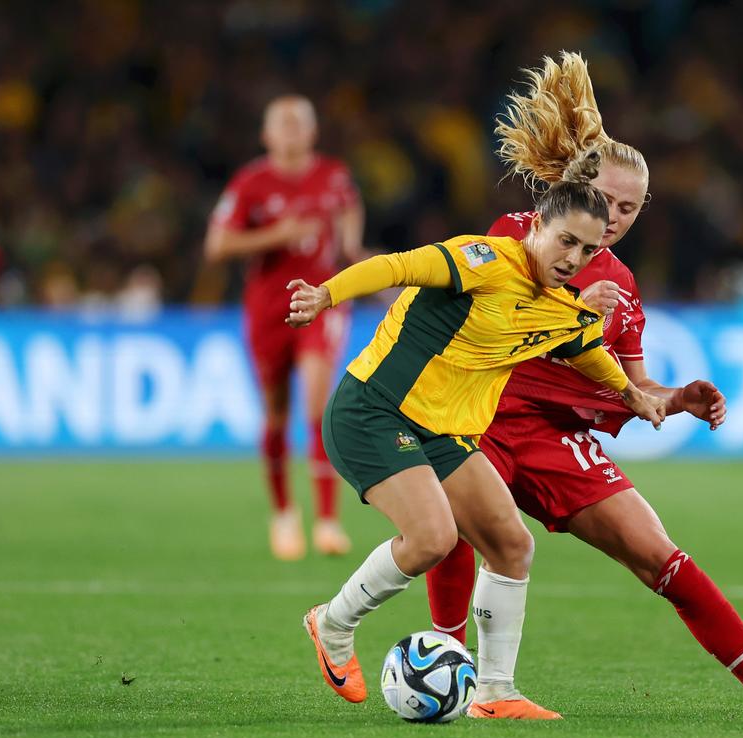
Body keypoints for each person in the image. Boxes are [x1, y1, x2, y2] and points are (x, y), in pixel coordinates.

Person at [425, 52, 743, 719]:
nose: (615, 217)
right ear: (578, 188)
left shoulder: (621, 283)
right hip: (481, 414)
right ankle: (446, 675)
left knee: (659, 555)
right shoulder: (513, 239)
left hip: (553, 439)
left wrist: (673, 399)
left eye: (630, 207)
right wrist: (567, 310)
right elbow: (480, 325)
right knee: (449, 529)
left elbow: (631, 381)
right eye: (605, 202)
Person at [286, 160, 668, 710]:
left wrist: (634, 396)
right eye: (565, 241)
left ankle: (495, 692)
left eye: (586, 251)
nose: (572, 260)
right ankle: (333, 624)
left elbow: (587, 351)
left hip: (443, 433)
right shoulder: (484, 260)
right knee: (433, 539)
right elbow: (396, 267)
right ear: (537, 224)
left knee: (512, 545)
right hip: (375, 412)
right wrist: (327, 295)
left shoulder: (562, 306)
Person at [205, 95, 364, 560]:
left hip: (319, 301)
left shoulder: (333, 174)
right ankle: (284, 513)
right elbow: (217, 245)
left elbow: (349, 207)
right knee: (276, 414)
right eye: (283, 123)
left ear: (313, 132)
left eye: (300, 123)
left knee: (318, 405)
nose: (292, 130)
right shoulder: (251, 183)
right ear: (267, 135)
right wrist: (278, 234)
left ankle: (329, 522)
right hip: (268, 310)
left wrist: (350, 245)